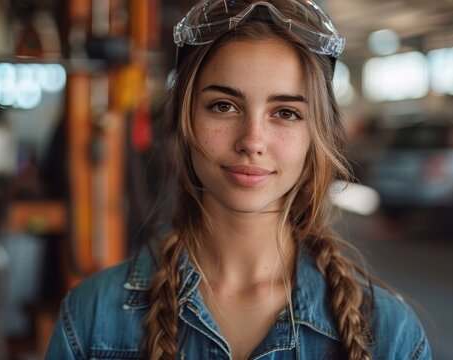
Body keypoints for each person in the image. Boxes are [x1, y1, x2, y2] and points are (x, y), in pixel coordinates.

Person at [45, 0, 431, 359]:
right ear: (185, 120)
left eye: (286, 113)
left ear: (317, 135)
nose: (252, 141)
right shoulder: (91, 318)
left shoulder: (392, 334)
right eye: (223, 106)